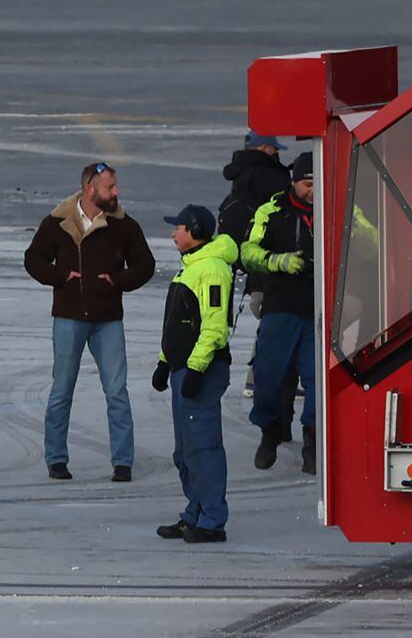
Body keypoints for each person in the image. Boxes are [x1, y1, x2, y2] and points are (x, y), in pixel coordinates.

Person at [24, 162, 155, 481]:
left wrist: (118, 280)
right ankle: (56, 460)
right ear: (89, 189)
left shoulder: (124, 225)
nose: (116, 192)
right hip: (68, 318)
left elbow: (145, 265)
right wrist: (61, 277)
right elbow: (33, 259)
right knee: (61, 390)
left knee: (116, 392)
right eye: (110, 187)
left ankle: (122, 462)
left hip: (108, 320)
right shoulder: (58, 222)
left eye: (115, 185)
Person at [151, 205, 236, 544]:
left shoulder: (212, 269)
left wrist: (197, 369)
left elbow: (214, 328)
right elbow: (179, 325)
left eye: (179, 227)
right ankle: (195, 512)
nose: (174, 233)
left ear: (195, 230)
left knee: (204, 448)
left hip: (201, 370)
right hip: (183, 368)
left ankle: (212, 520)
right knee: (185, 451)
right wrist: (164, 362)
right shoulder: (190, 268)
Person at [241, 152, 317, 475]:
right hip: (281, 306)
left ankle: (313, 440)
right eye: (306, 183)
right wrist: (277, 261)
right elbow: (248, 252)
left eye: (316, 182)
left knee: (317, 382)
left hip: (320, 310)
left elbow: (369, 242)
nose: (312, 190)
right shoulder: (271, 210)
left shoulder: (340, 203)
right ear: (293, 181)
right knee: (268, 376)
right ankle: (269, 430)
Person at [218, 130, 294, 404]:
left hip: (252, 263)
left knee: (271, 319)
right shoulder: (270, 178)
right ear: (265, 148)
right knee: (279, 321)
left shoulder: (241, 175)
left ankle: (255, 377)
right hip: (272, 265)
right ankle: (262, 377)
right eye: (275, 150)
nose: (278, 154)